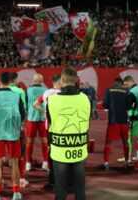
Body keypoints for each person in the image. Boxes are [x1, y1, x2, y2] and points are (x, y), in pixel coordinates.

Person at [47, 68, 90, 200]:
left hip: (59, 149)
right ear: (76, 80)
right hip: (79, 148)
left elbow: (51, 120)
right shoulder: (85, 99)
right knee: (80, 188)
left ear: (62, 80)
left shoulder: (52, 100)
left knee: (61, 189)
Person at [0, 72, 25, 200]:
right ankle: (16, 193)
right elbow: (22, 114)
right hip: (13, 133)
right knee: (14, 163)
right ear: (10, 81)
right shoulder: (16, 95)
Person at [33, 74, 61, 191]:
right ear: (60, 82)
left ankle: (52, 179)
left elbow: (35, 104)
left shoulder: (46, 93)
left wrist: (45, 111)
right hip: (62, 126)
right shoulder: (62, 93)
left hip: (49, 127)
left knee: (51, 152)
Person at [100, 78, 131, 170]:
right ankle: (126, 163)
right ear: (121, 84)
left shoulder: (108, 90)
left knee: (108, 143)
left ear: (114, 83)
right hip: (124, 120)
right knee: (125, 142)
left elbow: (104, 105)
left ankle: (106, 163)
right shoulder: (126, 91)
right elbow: (129, 106)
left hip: (113, 121)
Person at [9, 72, 28, 188]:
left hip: (3, 127)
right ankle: (21, 178)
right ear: (15, 80)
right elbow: (24, 109)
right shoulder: (20, 91)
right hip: (17, 126)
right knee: (21, 152)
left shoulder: (0, 92)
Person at [123, 76, 138, 167]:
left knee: (128, 137)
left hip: (135, 117)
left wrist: (128, 116)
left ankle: (128, 157)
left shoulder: (131, 92)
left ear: (130, 82)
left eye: (126, 84)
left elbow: (130, 106)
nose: (126, 86)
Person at [25, 74, 48, 171]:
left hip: (32, 118)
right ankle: (45, 163)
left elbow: (26, 105)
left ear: (33, 80)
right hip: (43, 118)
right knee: (44, 141)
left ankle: (28, 163)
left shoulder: (28, 90)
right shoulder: (46, 90)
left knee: (29, 141)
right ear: (42, 81)